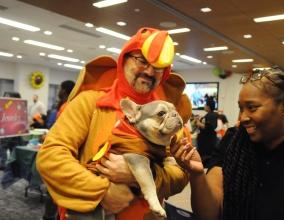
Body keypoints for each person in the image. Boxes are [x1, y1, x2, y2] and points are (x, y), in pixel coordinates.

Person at [36, 27, 192, 220]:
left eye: (158, 67)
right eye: (142, 61)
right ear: (124, 59)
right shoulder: (90, 102)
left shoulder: (168, 113)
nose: (150, 72)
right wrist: (102, 191)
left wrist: (140, 175)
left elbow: (182, 172)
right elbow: (51, 156)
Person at [172, 68, 284, 220]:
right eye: (241, 108)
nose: (243, 117)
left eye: (252, 108)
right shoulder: (233, 142)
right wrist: (197, 175)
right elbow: (210, 214)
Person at [42, 80, 75, 220]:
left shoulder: (68, 106)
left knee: (53, 192)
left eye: (60, 88)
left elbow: (62, 132)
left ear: (65, 90)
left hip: (62, 155)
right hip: (61, 152)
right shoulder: (66, 105)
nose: (58, 91)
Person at [194, 96, 218, 168]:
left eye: (205, 105)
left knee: (206, 158)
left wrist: (198, 123)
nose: (204, 106)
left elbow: (209, 127)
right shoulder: (211, 115)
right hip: (206, 140)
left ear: (208, 106)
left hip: (207, 141)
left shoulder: (211, 115)